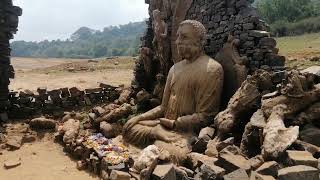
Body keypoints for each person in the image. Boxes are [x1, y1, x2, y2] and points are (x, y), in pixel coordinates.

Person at [123, 20, 224, 147]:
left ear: (200, 40)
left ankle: (159, 137)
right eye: (177, 37)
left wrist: (175, 124)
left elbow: (205, 117)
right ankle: (156, 134)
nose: (178, 42)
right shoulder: (174, 68)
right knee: (129, 128)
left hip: (184, 131)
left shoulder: (212, 69)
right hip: (163, 125)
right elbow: (163, 107)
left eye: (184, 37)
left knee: (175, 151)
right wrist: (139, 117)